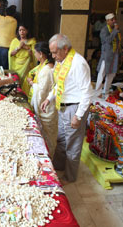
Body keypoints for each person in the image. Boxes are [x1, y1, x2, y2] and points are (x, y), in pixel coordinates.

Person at [41, 34, 93, 184]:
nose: (52, 56)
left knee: (73, 144)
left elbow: (87, 92)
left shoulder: (78, 64)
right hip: (63, 107)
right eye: (51, 52)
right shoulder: (63, 61)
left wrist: (78, 115)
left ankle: (69, 177)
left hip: (74, 108)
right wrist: (49, 98)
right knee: (62, 139)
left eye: (55, 52)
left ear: (65, 48)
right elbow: (60, 84)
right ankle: (57, 166)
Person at [25, 42, 57, 157]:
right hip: (47, 103)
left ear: (41, 54)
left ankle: (49, 158)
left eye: (35, 52)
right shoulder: (44, 67)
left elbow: (42, 91)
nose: (34, 54)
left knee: (48, 136)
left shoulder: (46, 70)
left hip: (46, 107)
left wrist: (32, 83)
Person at [95, 13, 121, 97]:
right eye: (112, 20)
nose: (114, 21)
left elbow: (118, 42)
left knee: (112, 73)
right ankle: (97, 92)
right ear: (107, 21)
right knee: (102, 73)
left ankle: (105, 91)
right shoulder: (104, 30)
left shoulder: (115, 30)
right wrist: (115, 31)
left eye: (114, 19)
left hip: (114, 56)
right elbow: (108, 40)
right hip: (106, 56)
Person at [0, 5, 17, 69]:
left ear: (5, 13)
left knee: (2, 68)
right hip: (12, 48)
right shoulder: (15, 21)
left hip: (2, 48)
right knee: (9, 67)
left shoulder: (1, 19)